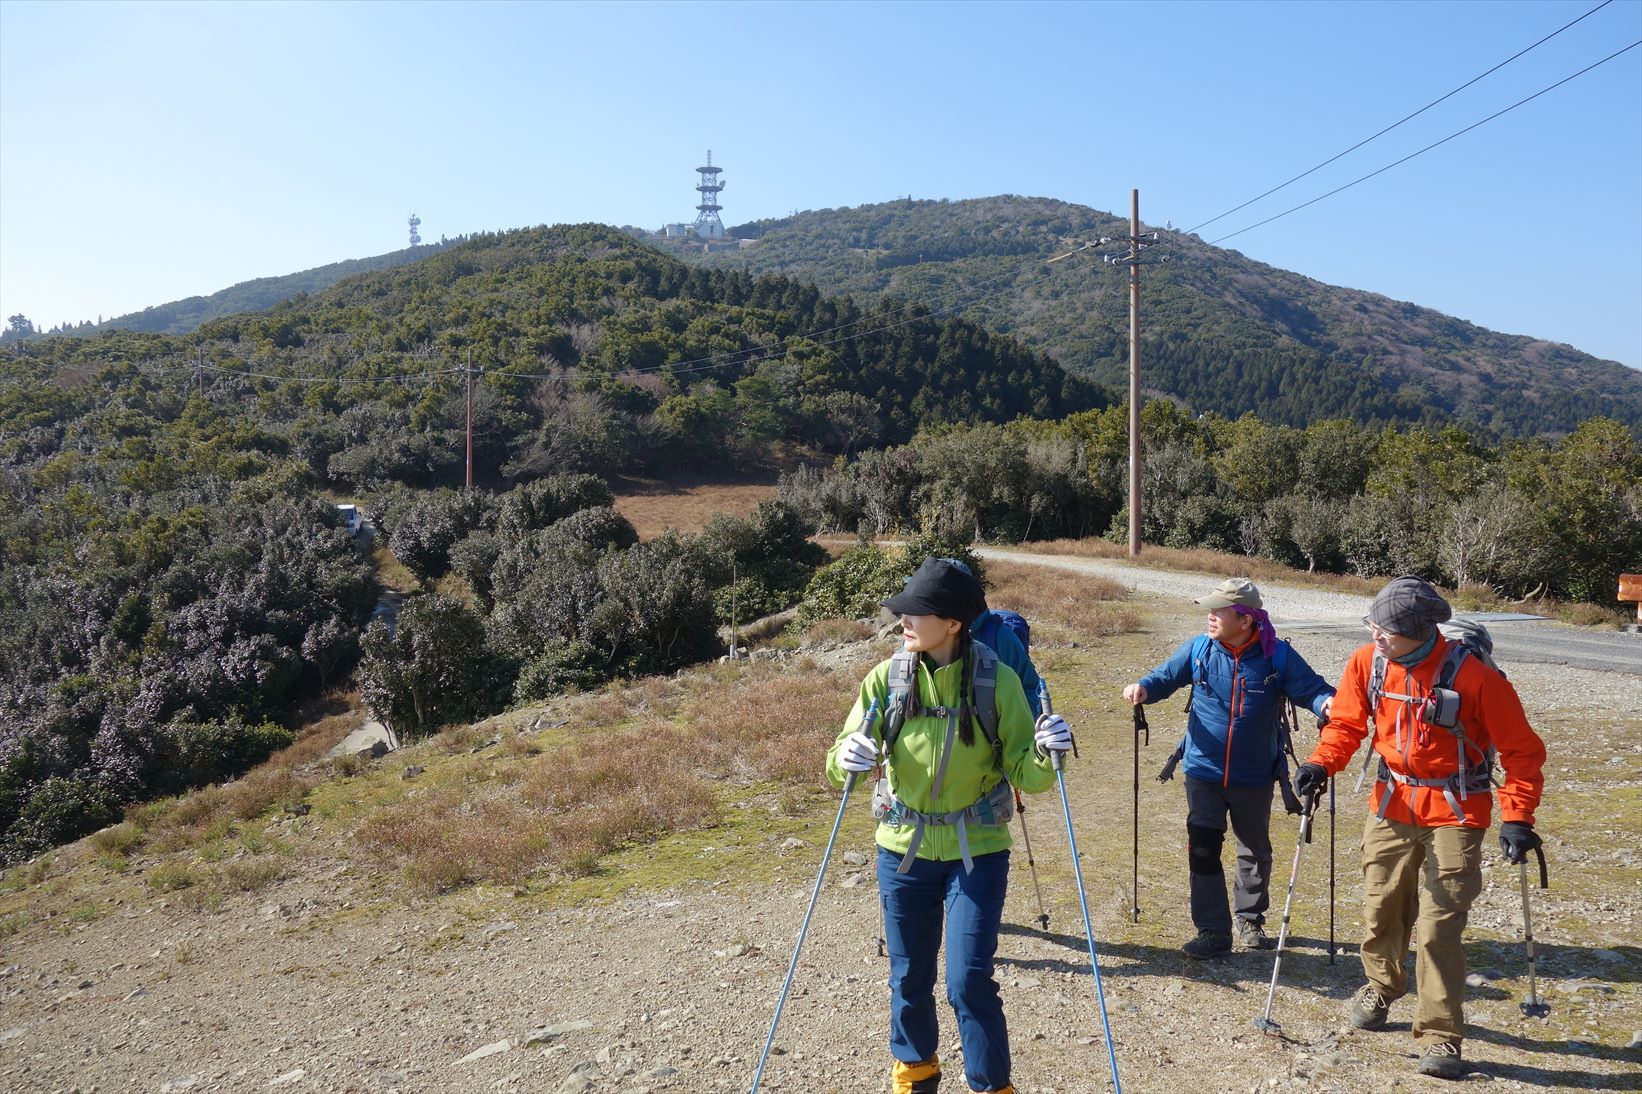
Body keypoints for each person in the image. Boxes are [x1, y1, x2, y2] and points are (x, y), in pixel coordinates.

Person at [828, 557, 1072, 1094]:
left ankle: (990, 1085)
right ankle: (915, 1076)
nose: (903, 621)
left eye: (916, 611)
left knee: (968, 981)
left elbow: (1028, 778)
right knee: (909, 977)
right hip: (901, 851)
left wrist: (1048, 747)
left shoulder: (996, 680)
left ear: (954, 622)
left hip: (977, 852)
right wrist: (848, 755)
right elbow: (838, 759)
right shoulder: (886, 678)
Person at [1293, 576, 1546, 1080]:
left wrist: (1517, 816)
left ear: (1421, 630)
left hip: (1457, 808)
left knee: (1438, 927)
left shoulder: (1475, 676)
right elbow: (1345, 724)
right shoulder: (1368, 663)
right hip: (1392, 800)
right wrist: (1322, 763)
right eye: (1373, 626)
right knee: (1381, 905)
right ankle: (1383, 987)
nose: (1376, 635)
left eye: (1385, 629)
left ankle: (1441, 1034)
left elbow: (1522, 752)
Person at [1121, 577, 1334, 959]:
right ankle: (1212, 931)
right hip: (1202, 770)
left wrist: (1328, 706)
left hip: (1253, 775)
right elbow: (1164, 677)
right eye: (1211, 609)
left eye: (1219, 610)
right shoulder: (1200, 649)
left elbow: (1313, 689)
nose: (1210, 616)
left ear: (1247, 619)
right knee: (1202, 848)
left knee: (1254, 849)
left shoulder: (1278, 657)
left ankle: (1250, 919)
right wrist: (1143, 688)